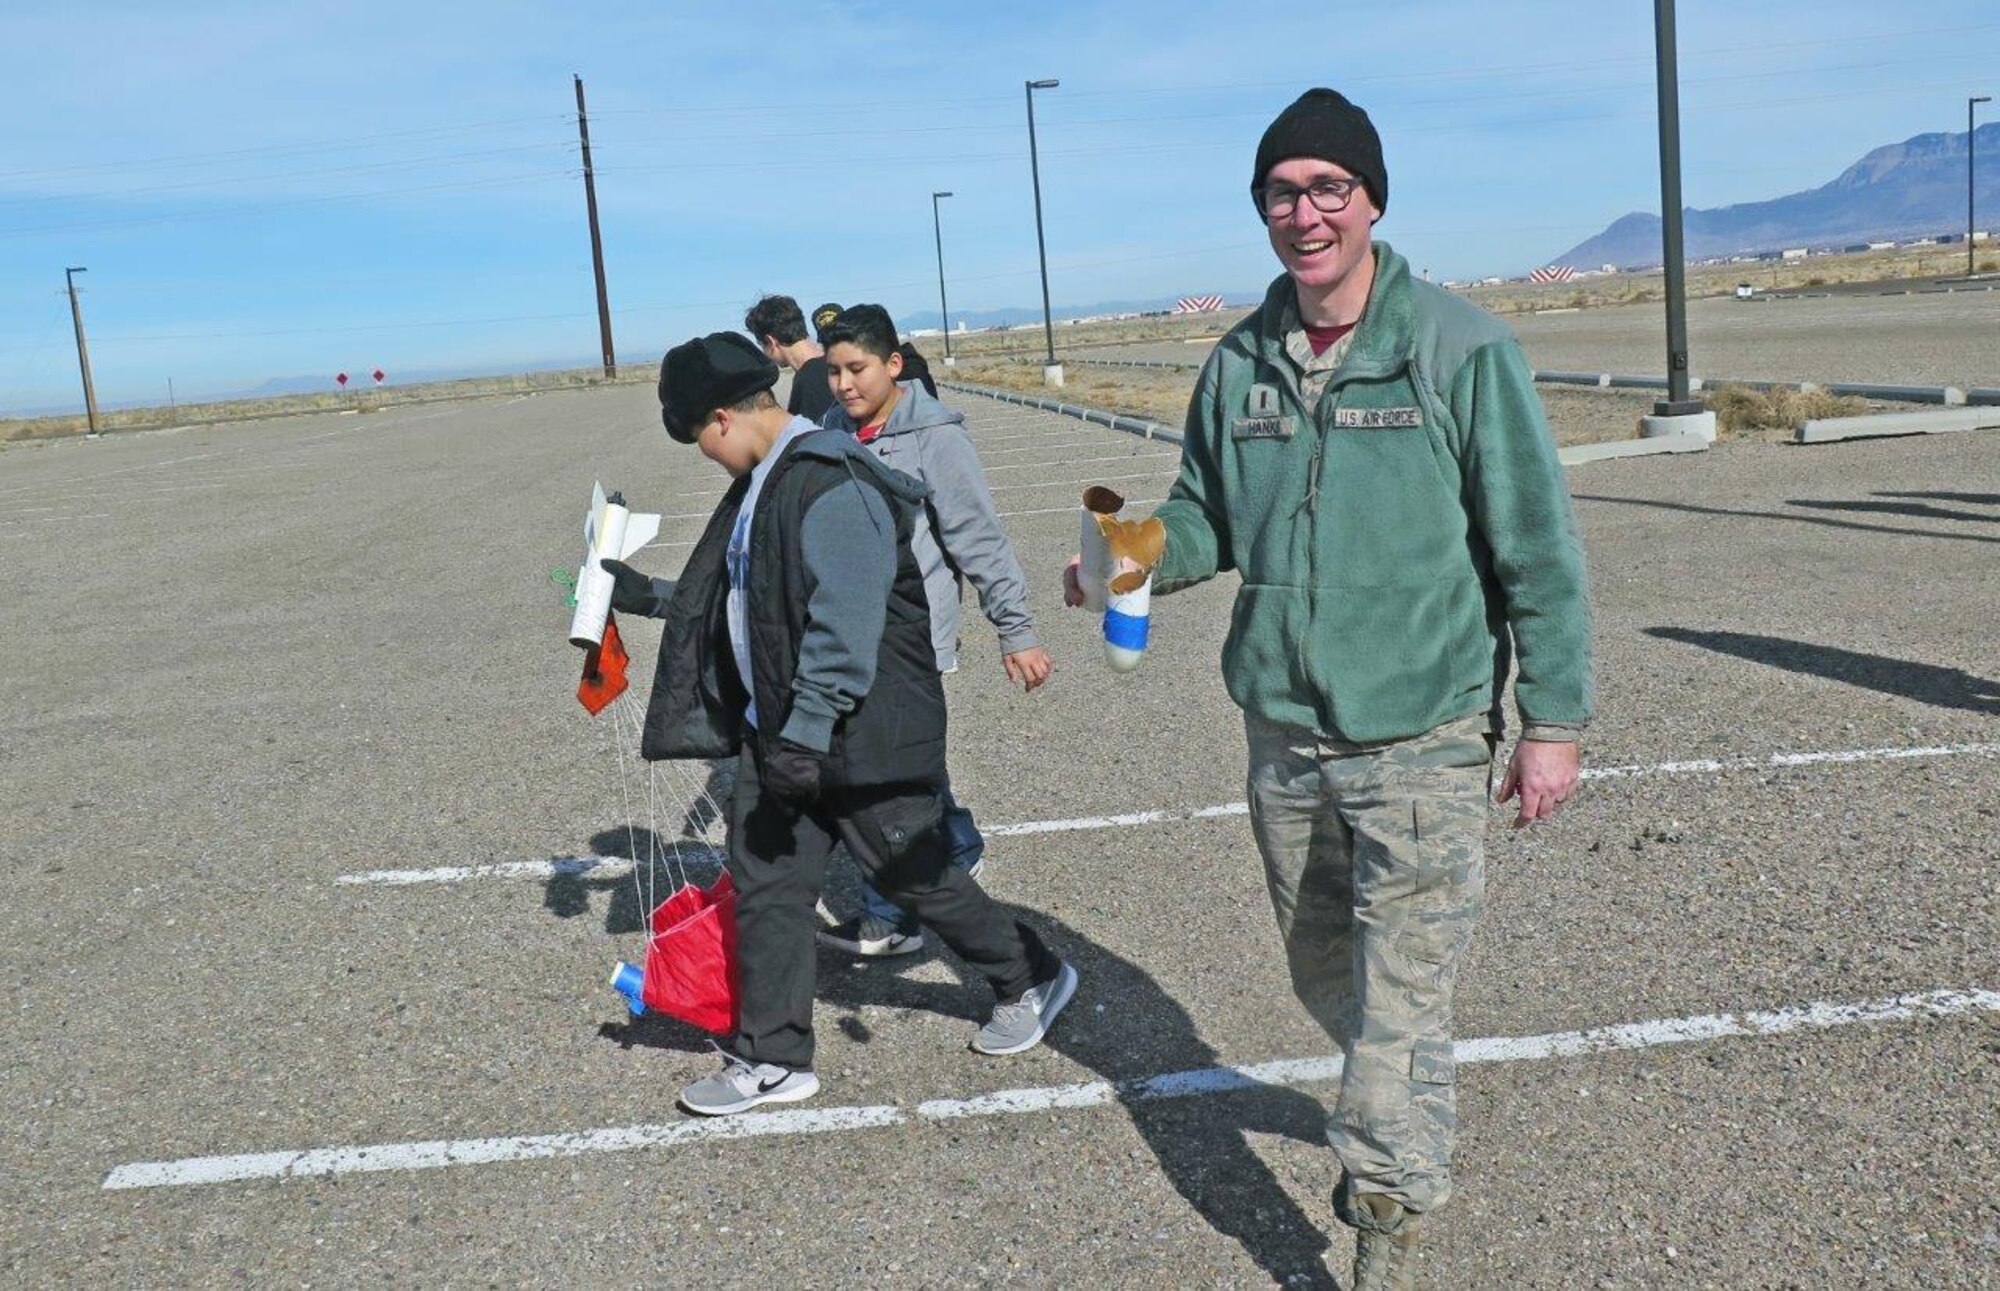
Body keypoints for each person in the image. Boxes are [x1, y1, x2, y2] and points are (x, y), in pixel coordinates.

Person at [1065, 89, 1592, 1288]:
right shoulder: (1240, 361)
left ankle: (1385, 1220)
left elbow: (1534, 548)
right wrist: (1133, 553)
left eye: (1326, 190)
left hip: (1423, 734)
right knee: (1327, 978)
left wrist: (1549, 722)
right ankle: (1404, 1106)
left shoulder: (1457, 348)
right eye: (1280, 193)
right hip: (1284, 735)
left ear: (1369, 201)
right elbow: (1205, 514)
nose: (1302, 214)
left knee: (1397, 1004)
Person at [610, 332, 1077, 1117]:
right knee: (768, 890)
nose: (705, 456)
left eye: (698, 440)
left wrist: (807, 731)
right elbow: (744, 598)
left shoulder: (833, 481)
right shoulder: (764, 484)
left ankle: (1029, 973)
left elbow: (843, 622)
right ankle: (774, 1056)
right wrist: (647, 596)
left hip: (860, 734)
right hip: (787, 735)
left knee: (910, 874)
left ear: (721, 417)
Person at [813, 303, 1051, 958]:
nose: (843, 385)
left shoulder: (936, 438)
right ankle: (961, 845)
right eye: (833, 371)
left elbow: (979, 540)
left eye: (856, 368)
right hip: (855, 630)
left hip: (911, 634)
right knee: (899, 762)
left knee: (880, 771)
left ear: (893, 364)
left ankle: (891, 915)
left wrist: (1017, 630)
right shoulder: (832, 430)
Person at [812, 301, 938, 397]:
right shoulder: (833, 416)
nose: (843, 385)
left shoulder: (911, 373)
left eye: (857, 369)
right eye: (828, 342)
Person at [744, 294, 833, 422]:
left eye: (761, 345)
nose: (764, 353)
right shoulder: (833, 362)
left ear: (771, 341)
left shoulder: (808, 381)